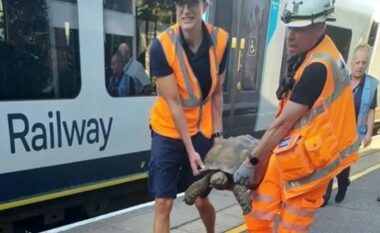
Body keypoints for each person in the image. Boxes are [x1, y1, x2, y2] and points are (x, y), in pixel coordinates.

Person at [233, 0, 359, 232]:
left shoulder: (317, 68)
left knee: (291, 228)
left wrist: (251, 161)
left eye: (299, 29)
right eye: (289, 27)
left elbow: (282, 123)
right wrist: (263, 159)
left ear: (321, 26)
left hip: (311, 166)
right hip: (292, 152)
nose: (290, 36)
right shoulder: (318, 52)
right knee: (256, 213)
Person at [148, 0, 229, 232]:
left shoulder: (221, 41)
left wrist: (219, 138)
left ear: (205, 4)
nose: (185, 10)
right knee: (163, 203)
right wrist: (189, 149)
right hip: (167, 130)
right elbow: (173, 104)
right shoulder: (161, 46)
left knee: (201, 199)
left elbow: (216, 95)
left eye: (192, 3)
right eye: (180, 3)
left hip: (202, 130)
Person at [323, 43, 378, 205]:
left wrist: (368, 133)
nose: (360, 66)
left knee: (343, 166)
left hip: (353, 134)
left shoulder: (371, 85)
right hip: (335, 131)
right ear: (351, 62)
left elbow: (371, 110)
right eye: (357, 62)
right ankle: (324, 196)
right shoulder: (342, 79)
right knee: (330, 164)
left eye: (364, 63)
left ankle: (343, 183)